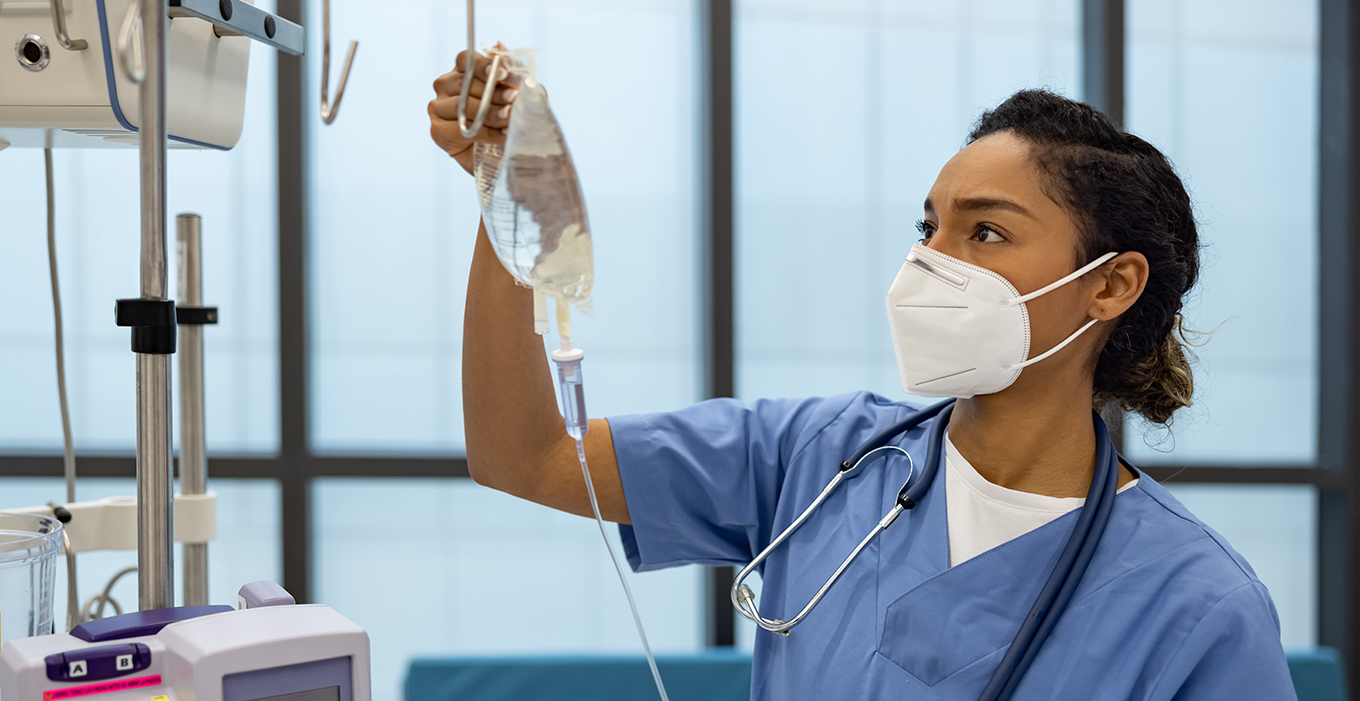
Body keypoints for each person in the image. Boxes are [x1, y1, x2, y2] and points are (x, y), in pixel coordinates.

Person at [428, 51, 1298, 700]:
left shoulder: (1198, 606)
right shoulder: (819, 455)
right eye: (929, 228)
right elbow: (524, 454)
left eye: (985, 232)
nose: (931, 261)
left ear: (1109, 285)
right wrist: (508, 186)